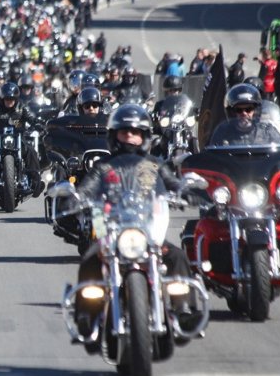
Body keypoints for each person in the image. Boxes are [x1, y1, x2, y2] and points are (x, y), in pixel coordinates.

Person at [73, 103, 199, 343]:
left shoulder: (155, 165)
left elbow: (173, 183)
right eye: (125, 132)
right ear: (115, 135)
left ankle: (184, 309)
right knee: (90, 258)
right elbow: (87, 188)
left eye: (135, 132)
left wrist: (185, 191)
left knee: (177, 257)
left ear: (144, 136)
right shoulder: (103, 166)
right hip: (112, 231)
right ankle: (86, 315)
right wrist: (75, 197)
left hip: (146, 231)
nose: (130, 137)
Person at [0, 82, 43, 198]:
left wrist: (37, 123)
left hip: (19, 139)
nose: (9, 101)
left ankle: (36, 181)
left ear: (16, 99)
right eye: (7, 99)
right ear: (2, 99)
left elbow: (31, 117)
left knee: (32, 151)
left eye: (12, 99)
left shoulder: (22, 108)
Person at [209, 83, 280, 146]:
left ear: (255, 111)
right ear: (232, 112)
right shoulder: (222, 132)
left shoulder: (267, 131)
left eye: (248, 109)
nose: (244, 113)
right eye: (239, 110)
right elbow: (213, 154)